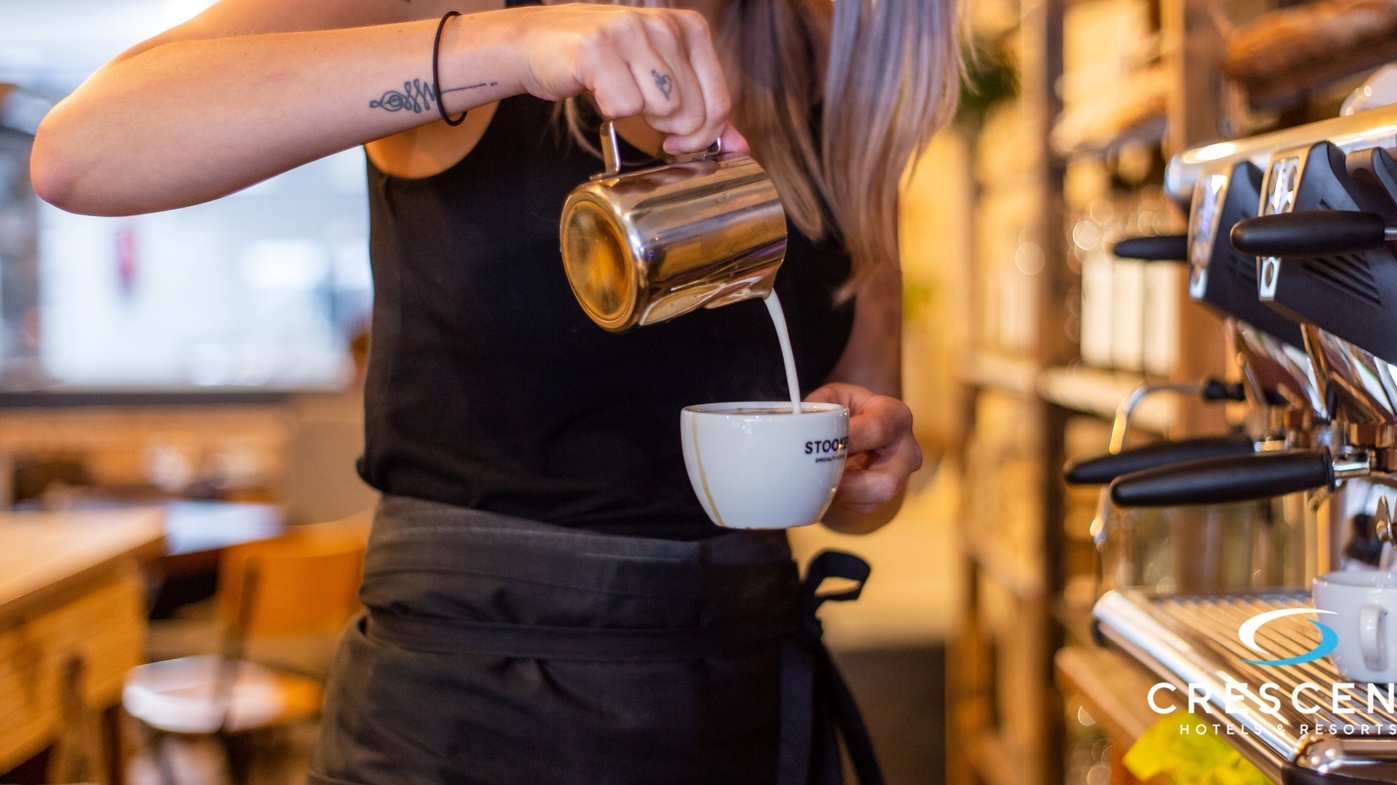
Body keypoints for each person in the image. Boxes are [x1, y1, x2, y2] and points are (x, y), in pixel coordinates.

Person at [32, 0, 959, 782]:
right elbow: (82, 152)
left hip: (747, 709)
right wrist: (510, 48)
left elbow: (863, 462)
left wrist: (868, 463)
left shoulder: (836, 67)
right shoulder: (485, 17)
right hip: (465, 715)